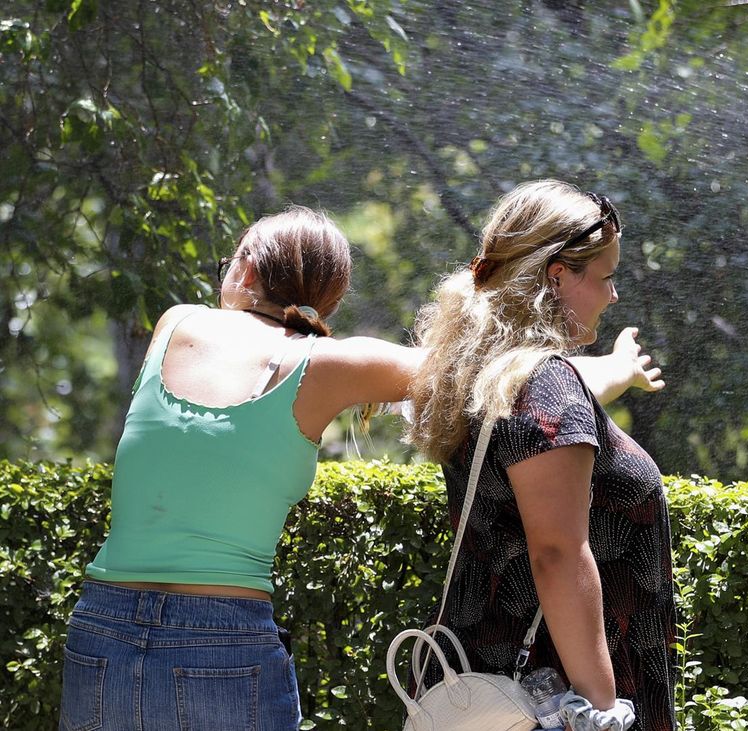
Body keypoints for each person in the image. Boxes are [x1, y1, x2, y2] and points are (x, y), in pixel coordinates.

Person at [58, 205, 662, 731]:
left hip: (101, 626)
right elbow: (513, 382)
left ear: (243, 268)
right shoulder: (333, 365)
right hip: (225, 638)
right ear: (333, 296)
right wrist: (616, 368)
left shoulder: (176, 325)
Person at [405, 180, 676, 731]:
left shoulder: (487, 375)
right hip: (553, 698)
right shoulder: (546, 388)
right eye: (605, 276)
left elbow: (562, 406)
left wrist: (621, 370)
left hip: (483, 685)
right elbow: (556, 554)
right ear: (559, 275)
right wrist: (601, 711)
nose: (613, 294)